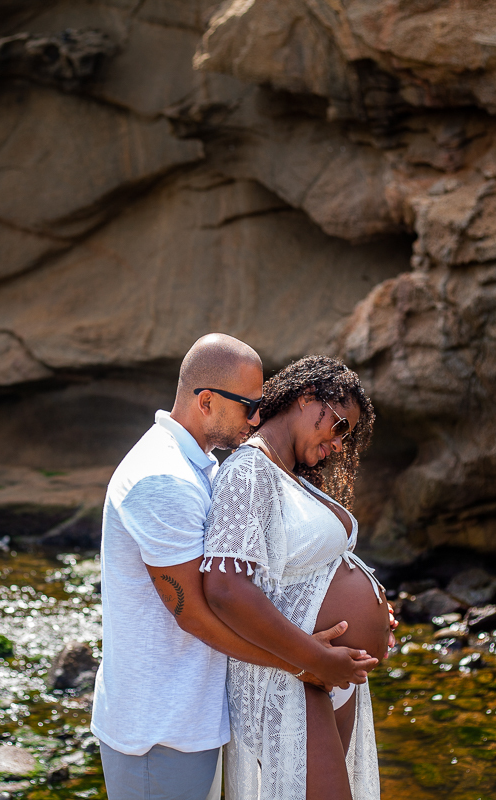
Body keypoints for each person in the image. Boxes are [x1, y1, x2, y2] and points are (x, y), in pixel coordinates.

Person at [92, 335, 379, 800]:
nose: (257, 417)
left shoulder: (199, 467)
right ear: (206, 401)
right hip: (159, 725)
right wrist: (306, 661)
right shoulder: (162, 478)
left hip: (193, 714)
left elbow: (262, 575)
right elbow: (198, 609)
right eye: (248, 405)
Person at [203, 355, 390, 800]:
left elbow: (305, 572)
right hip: (288, 677)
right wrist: (316, 659)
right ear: (308, 399)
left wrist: (375, 608)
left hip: (319, 673)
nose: (340, 444)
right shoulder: (248, 471)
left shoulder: (288, 476)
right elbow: (225, 588)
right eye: (340, 426)